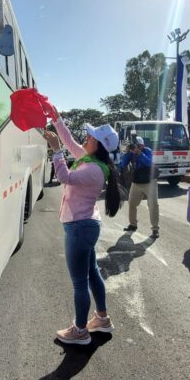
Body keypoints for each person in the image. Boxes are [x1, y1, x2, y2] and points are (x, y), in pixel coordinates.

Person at [43, 109, 122, 345]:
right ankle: (102, 319)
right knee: (92, 274)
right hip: (85, 225)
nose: (85, 139)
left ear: (99, 146)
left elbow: (64, 177)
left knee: (80, 282)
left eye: (90, 138)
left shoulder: (93, 169)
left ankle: (79, 331)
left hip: (79, 227)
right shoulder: (88, 159)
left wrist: (56, 151)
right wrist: (56, 118)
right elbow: (69, 140)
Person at [119, 136, 160, 238]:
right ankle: (133, 224)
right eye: (135, 146)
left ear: (143, 146)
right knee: (132, 203)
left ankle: (155, 229)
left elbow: (148, 163)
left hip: (150, 182)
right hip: (136, 182)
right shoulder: (130, 153)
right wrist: (128, 153)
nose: (137, 148)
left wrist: (140, 153)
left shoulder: (147, 151)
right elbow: (123, 164)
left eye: (139, 146)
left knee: (153, 205)